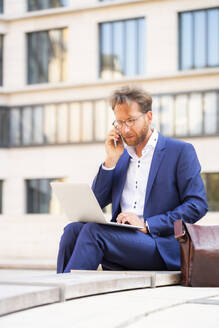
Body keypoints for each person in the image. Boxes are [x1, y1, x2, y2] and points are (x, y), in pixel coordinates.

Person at [57, 85, 208, 273]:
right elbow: (97, 202)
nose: (125, 129)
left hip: (159, 244)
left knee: (94, 232)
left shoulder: (179, 151)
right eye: (119, 123)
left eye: (130, 120)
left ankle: (65, 294)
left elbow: (197, 204)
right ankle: (60, 291)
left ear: (149, 117)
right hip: (123, 239)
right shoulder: (120, 156)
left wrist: (147, 225)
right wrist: (110, 160)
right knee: (73, 230)